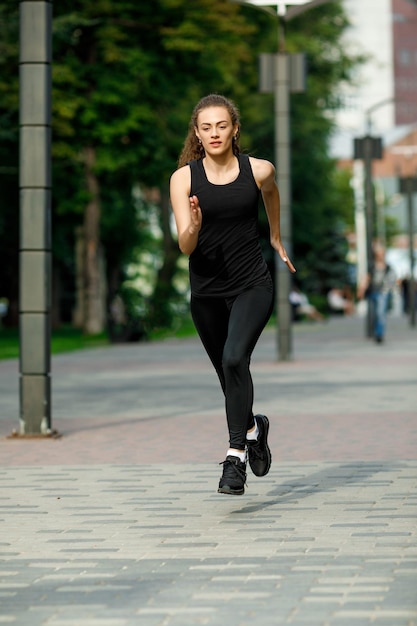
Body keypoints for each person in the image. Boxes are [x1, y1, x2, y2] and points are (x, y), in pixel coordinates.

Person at [170, 94, 295, 495]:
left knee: (234, 357)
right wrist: (195, 223)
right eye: (206, 127)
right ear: (197, 133)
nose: (214, 133)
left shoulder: (258, 170)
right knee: (229, 373)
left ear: (234, 128)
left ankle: (235, 457)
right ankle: (255, 427)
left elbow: (272, 194)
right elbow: (185, 246)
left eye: (221, 125)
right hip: (206, 291)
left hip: (251, 284)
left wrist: (275, 235)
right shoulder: (184, 179)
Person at [357, 243, 396, 343]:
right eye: (379, 253)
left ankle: (379, 334)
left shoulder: (388, 267)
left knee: (381, 314)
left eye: (382, 253)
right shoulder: (372, 266)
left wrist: (388, 290)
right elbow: (366, 278)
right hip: (372, 292)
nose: (381, 255)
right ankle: (376, 332)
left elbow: (391, 281)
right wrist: (361, 290)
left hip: (383, 293)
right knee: (374, 314)